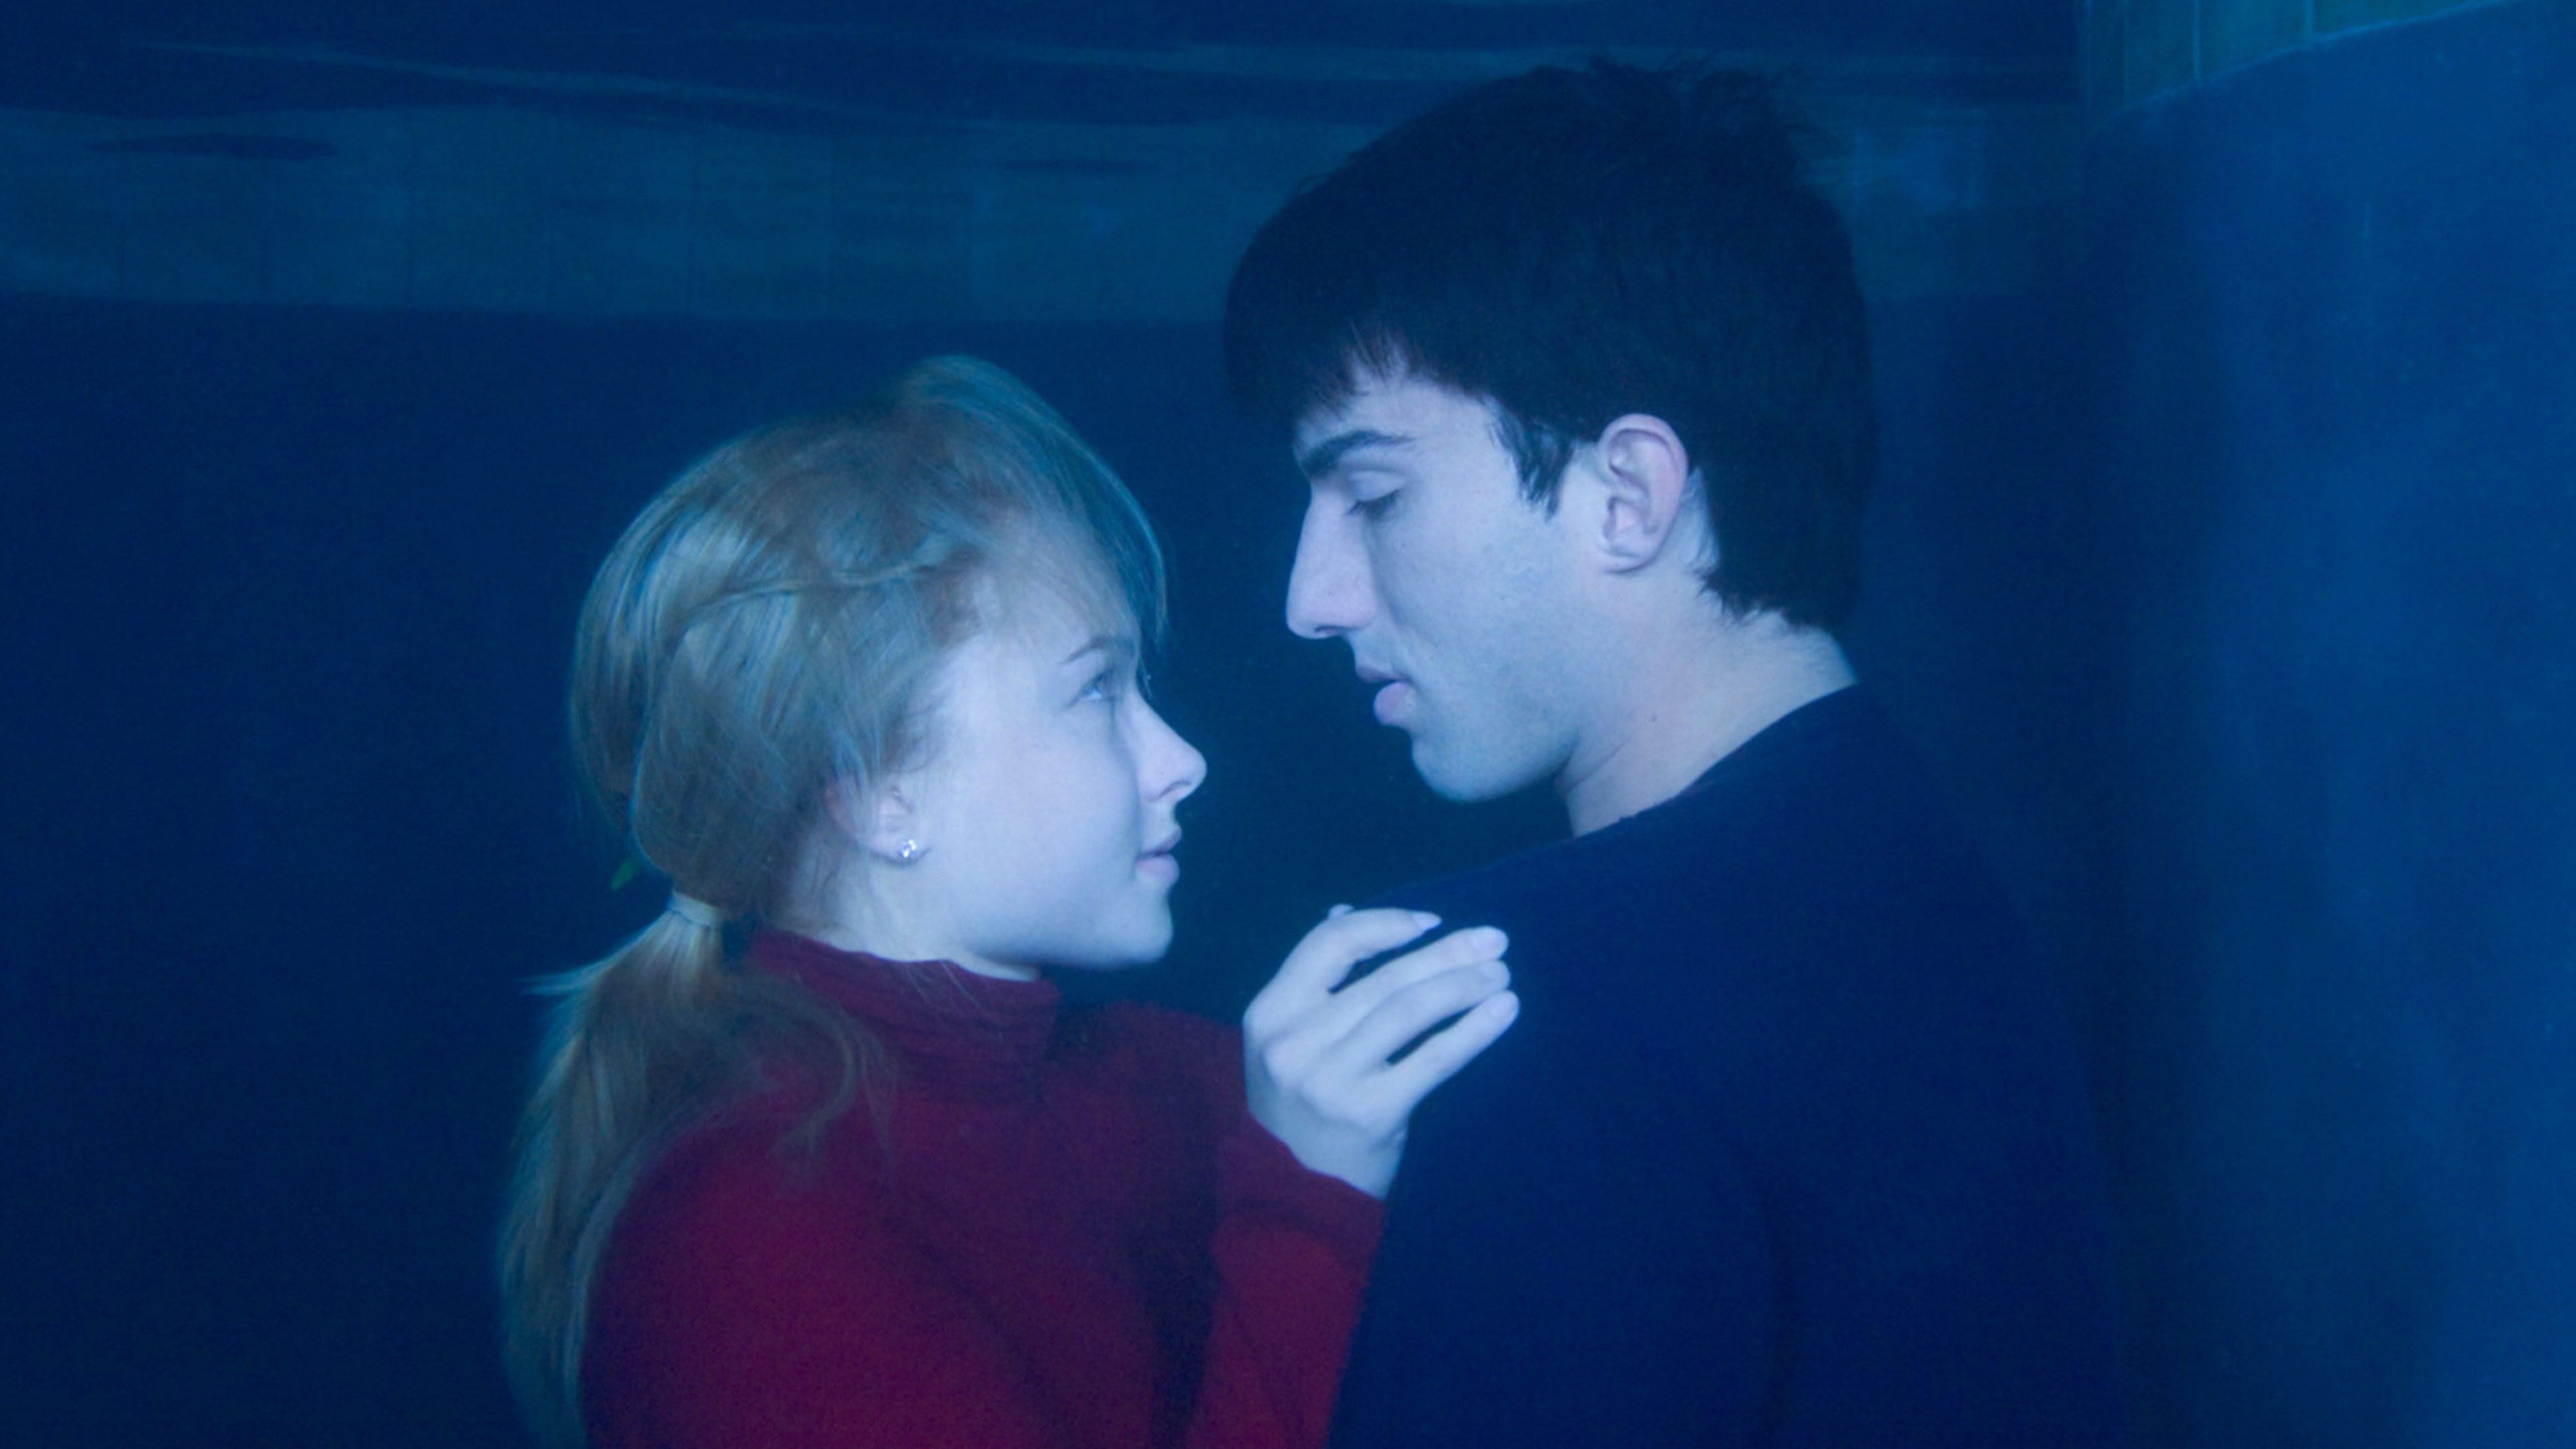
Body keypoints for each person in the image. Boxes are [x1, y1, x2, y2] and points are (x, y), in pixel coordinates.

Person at [1221, 61, 2125, 1445]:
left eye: (1374, 494)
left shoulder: (1513, 1000)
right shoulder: (1934, 883)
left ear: (1629, 492)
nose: (1311, 597)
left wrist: (1291, 1205)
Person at [496, 356, 1519, 1449]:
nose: (1183, 761)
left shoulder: (1162, 1078)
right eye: (1095, 691)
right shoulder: (741, 1236)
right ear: (882, 793)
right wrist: (1307, 1203)